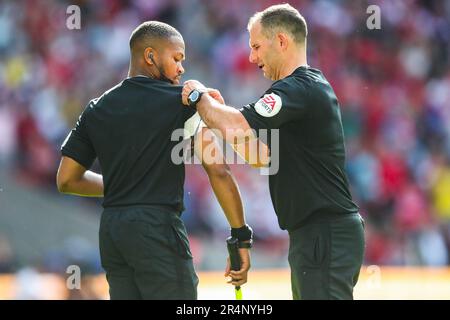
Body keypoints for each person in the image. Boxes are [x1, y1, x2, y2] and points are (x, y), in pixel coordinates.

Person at [56, 21, 252, 300]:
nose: (182, 68)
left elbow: (66, 179)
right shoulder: (182, 102)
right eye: (177, 58)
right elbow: (218, 169)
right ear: (150, 56)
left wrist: (125, 185)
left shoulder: (95, 108)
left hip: (113, 232)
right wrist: (239, 235)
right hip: (157, 229)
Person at [182, 4, 365, 300]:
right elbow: (259, 155)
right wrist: (215, 115)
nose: (252, 57)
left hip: (324, 233)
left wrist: (198, 97)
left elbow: (239, 127)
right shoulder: (302, 94)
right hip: (317, 235)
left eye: (256, 46)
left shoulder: (298, 89)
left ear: (281, 41)